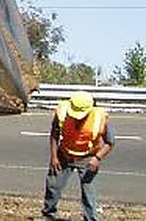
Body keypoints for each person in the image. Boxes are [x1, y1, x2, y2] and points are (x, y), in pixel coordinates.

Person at [42, 91, 115, 221]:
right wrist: (54, 156)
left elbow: (110, 142)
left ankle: (91, 218)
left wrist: (97, 158)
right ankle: (48, 214)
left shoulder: (100, 117)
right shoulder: (62, 112)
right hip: (64, 154)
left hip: (88, 157)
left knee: (88, 192)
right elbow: (54, 133)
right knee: (53, 185)